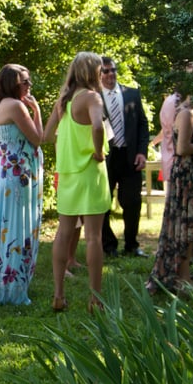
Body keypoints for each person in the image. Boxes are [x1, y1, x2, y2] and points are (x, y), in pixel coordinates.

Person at [43, 52, 112, 312]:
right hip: (90, 172)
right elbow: (98, 126)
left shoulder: (63, 100)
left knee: (63, 233)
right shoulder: (92, 97)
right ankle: (95, 299)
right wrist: (99, 151)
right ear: (93, 72)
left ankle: (58, 295)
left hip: (68, 173)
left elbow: (46, 136)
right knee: (93, 237)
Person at [0, 64, 44, 305]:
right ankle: (13, 290)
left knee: (7, 227)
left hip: (7, 176)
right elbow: (37, 138)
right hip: (18, 178)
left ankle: (2, 286)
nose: (29, 86)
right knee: (17, 228)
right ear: (12, 84)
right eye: (24, 82)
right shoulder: (16, 106)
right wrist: (37, 110)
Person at [146, 94, 193, 296]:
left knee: (191, 229)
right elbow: (182, 148)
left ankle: (182, 276)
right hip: (187, 177)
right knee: (186, 228)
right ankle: (182, 280)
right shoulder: (186, 114)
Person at [98, 57, 151, 258]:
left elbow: (143, 124)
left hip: (130, 156)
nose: (111, 74)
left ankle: (132, 245)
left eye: (113, 70)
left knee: (132, 202)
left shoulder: (132, 93)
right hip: (105, 157)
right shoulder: (93, 97)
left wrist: (142, 152)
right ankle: (108, 245)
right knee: (103, 203)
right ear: (99, 74)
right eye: (106, 71)